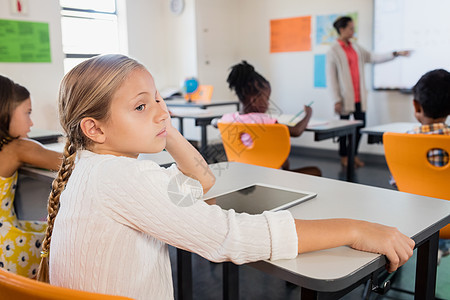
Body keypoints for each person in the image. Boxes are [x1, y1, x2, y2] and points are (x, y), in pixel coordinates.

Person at [36, 54, 414, 300]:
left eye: (157, 99)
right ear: (95, 128)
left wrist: (161, 126)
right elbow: (232, 236)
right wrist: (354, 229)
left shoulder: (95, 168)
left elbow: (201, 184)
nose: (159, 111)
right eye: (140, 105)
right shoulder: (128, 179)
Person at [0, 75, 62, 278]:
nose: (32, 122)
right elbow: (68, 162)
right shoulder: (16, 148)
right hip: (7, 252)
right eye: (27, 113)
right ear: (5, 113)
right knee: (63, 237)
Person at [327, 16, 410, 168]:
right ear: (342, 29)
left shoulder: (356, 48)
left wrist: (395, 53)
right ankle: (344, 156)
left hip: (359, 97)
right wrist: (336, 99)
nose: (353, 31)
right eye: (351, 28)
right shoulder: (333, 50)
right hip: (345, 98)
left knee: (359, 127)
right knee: (344, 130)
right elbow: (331, 77)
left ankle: (353, 155)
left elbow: (373, 57)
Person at [219, 61, 320, 176]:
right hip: (271, 176)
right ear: (254, 100)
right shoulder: (265, 121)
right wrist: (308, 114)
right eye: (266, 99)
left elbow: (214, 122)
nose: (268, 104)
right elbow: (297, 131)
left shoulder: (226, 119)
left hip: (244, 174)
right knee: (316, 171)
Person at [406, 69, 450, 263]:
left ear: (416, 105)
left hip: (414, 219)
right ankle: (443, 246)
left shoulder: (403, 140)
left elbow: (395, 182)